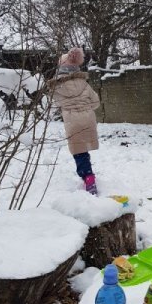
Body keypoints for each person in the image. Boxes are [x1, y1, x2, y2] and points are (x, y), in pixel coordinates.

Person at [47, 47, 100, 195]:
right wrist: (85, 107)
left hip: (72, 121)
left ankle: (88, 178)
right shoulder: (85, 84)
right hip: (88, 118)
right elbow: (96, 102)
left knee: (78, 150)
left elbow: (55, 104)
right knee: (83, 148)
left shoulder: (56, 86)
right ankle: (88, 174)